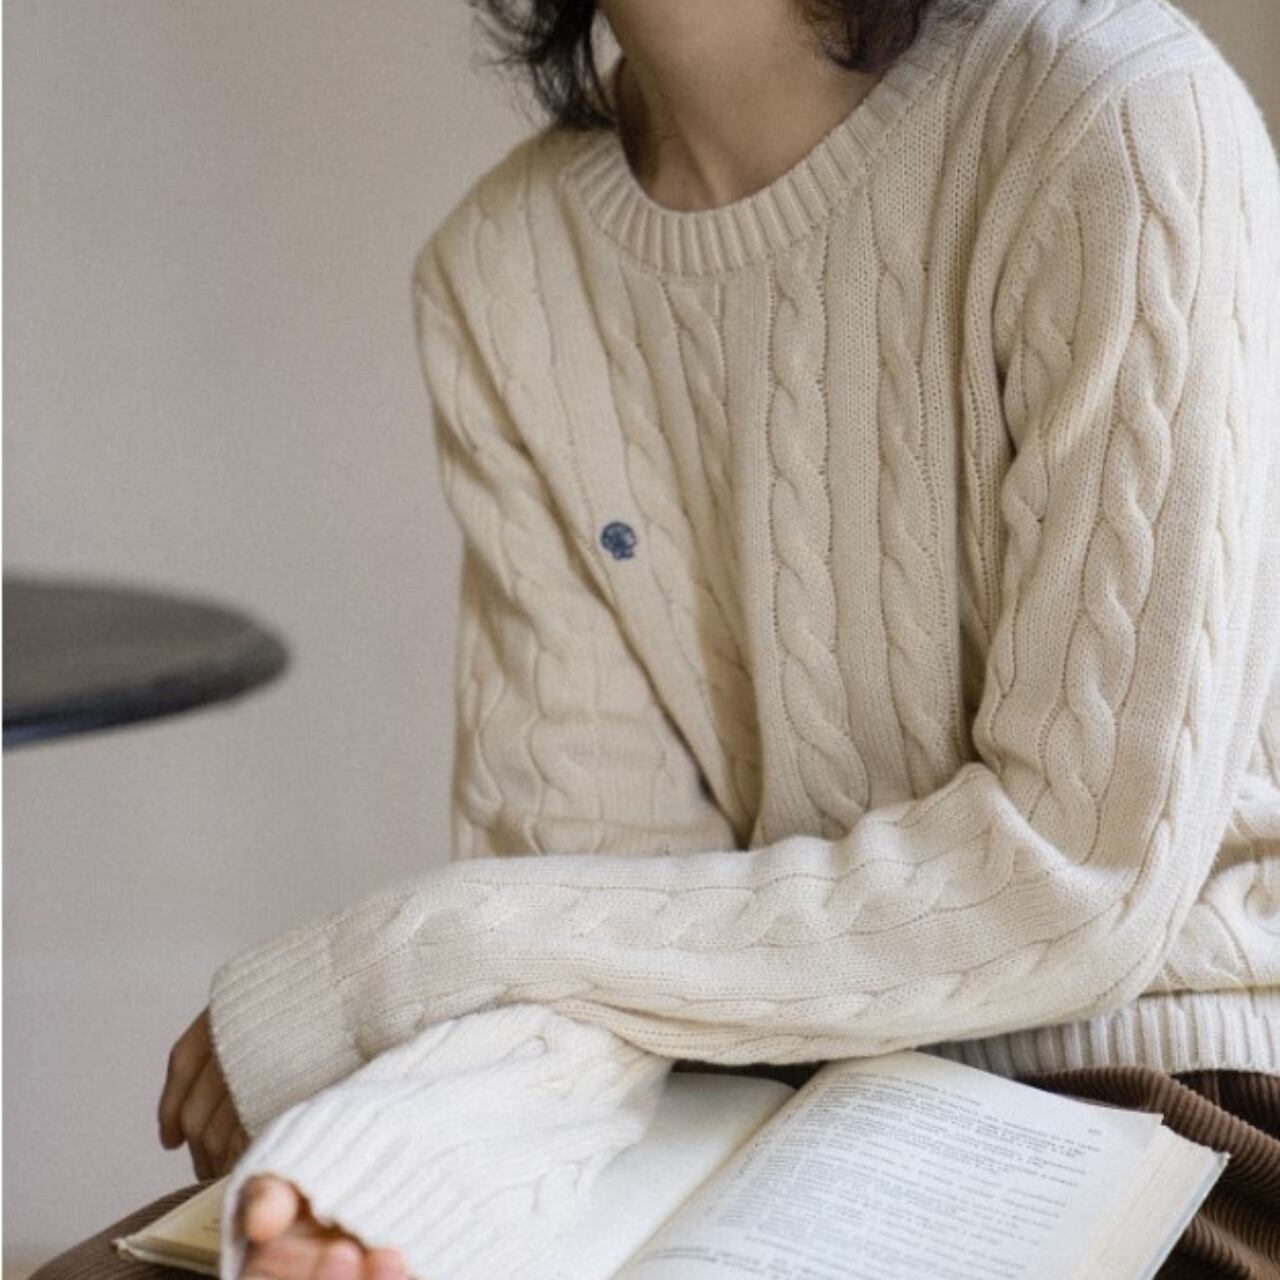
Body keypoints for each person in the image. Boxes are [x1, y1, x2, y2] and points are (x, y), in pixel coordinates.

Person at [31, 0, 1280, 1276]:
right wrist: (385, 1178)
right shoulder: (506, 266)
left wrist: (405, 957)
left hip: (1168, 1095)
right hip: (751, 1108)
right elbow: (595, 929)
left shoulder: (1112, 115)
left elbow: (1075, 883)